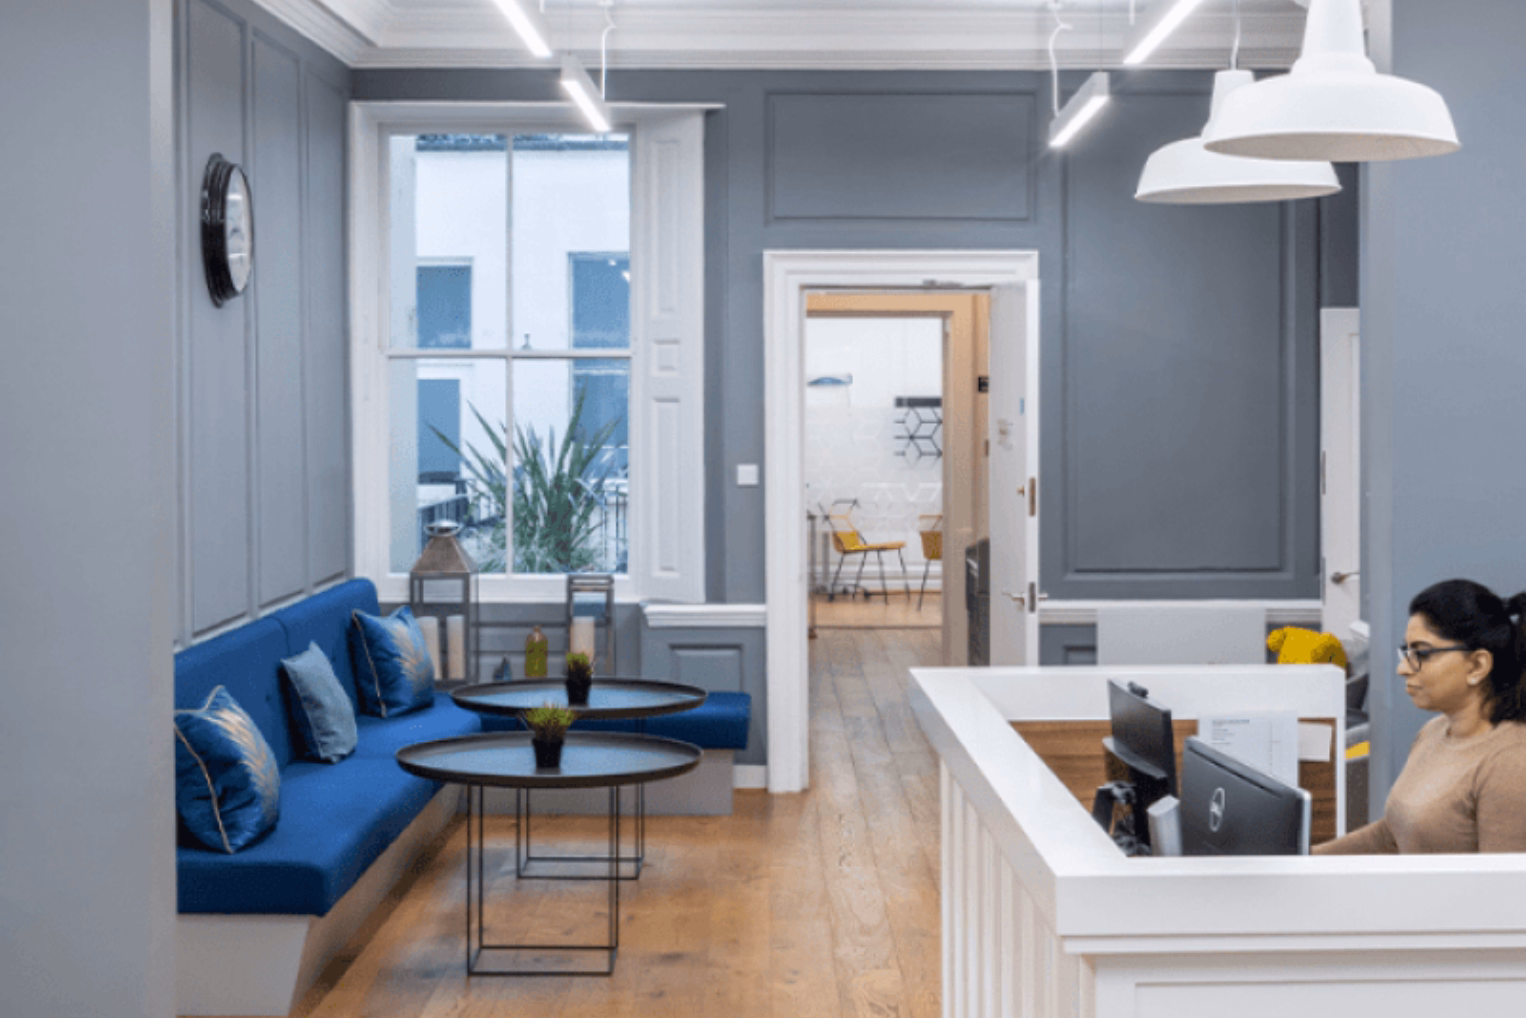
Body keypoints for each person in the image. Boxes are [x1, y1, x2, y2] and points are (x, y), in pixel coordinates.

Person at [1316, 578, 1526, 854]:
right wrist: (1305, 860)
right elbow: (1392, 834)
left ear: (1477, 665)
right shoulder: (1434, 731)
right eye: (1407, 652)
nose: (1403, 668)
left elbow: (1505, 890)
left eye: (1422, 653)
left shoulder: (1511, 762)